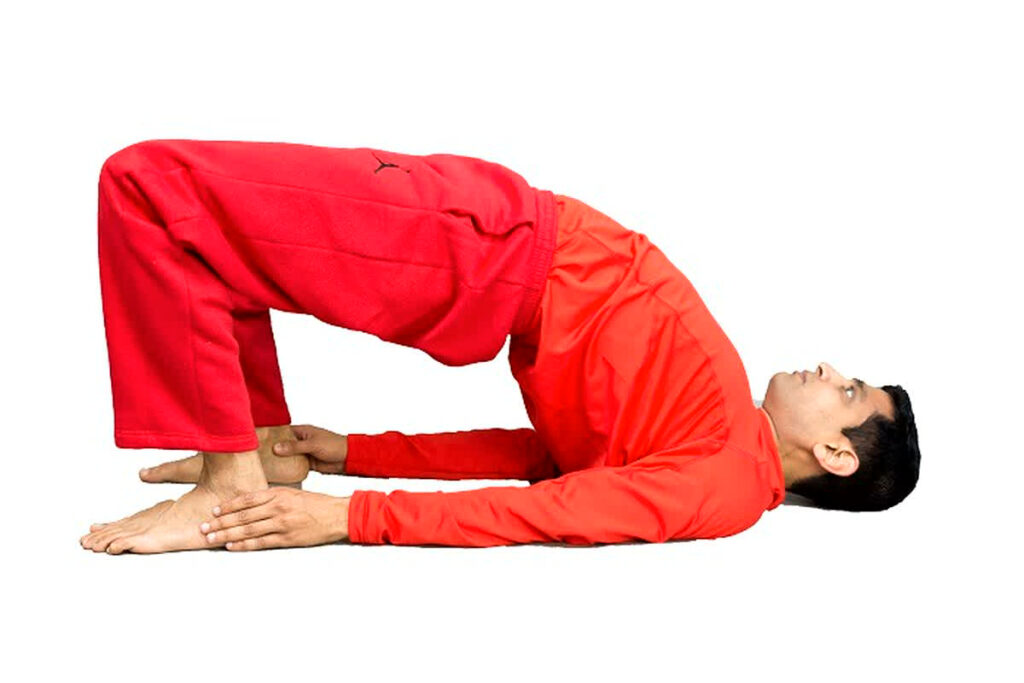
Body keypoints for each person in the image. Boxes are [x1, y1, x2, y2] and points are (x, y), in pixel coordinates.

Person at [80, 139, 921, 554]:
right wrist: (348, 451)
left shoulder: (726, 481)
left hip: (483, 248)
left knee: (155, 189)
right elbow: (543, 456)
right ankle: (257, 447)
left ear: (836, 455)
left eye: (848, 392)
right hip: (499, 241)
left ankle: (232, 484)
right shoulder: (715, 430)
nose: (829, 370)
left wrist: (353, 516)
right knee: (204, 224)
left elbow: (559, 509)